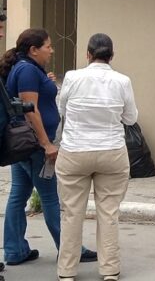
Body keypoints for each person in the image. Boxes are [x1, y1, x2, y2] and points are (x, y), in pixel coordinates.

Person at [1, 29, 97, 266]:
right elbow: (30, 109)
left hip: (26, 145)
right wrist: (46, 143)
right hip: (35, 146)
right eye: (48, 46)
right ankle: (69, 250)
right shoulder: (26, 71)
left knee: (18, 195)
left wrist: (47, 82)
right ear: (34, 50)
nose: (51, 50)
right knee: (50, 197)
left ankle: (14, 250)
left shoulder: (27, 69)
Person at [56, 34, 137, 281]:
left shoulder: (72, 77)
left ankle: (67, 271)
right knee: (109, 212)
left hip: (74, 151)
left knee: (71, 213)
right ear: (111, 56)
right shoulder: (122, 81)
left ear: (88, 54)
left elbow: (62, 109)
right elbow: (131, 118)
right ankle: (110, 269)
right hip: (111, 151)